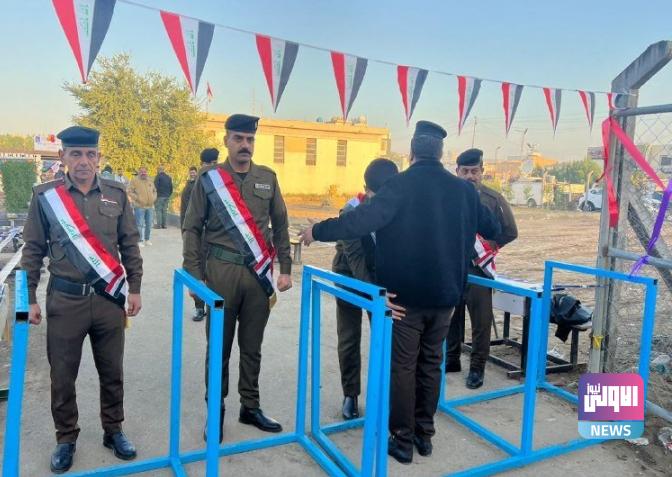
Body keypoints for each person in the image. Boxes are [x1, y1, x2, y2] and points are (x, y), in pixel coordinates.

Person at [300, 120, 500, 464]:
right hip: (445, 297)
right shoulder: (465, 191)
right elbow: (494, 228)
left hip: (403, 300)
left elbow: (358, 221)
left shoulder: (398, 186)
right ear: (441, 152)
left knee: (403, 368)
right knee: (431, 364)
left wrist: (317, 230)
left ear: (412, 152)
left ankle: (403, 441)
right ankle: (425, 434)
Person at [21, 126, 143, 474]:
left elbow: (129, 244)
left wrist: (135, 287)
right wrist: (29, 297)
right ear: (63, 157)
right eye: (76, 154)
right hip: (65, 300)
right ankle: (65, 438)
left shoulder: (117, 194)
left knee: (112, 371)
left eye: (90, 154)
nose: (84, 161)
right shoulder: (46, 197)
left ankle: (113, 430)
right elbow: (32, 249)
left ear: (98, 157)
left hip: (108, 301)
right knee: (62, 376)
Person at [182, 114, 293, 441]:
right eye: (238, 138)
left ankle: (250, 406)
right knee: (219, 347)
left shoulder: (267, 178)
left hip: (258, 276)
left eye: (250, 139)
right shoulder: (209, 179)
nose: (245, 145)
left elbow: (281, 224)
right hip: (221, 272)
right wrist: (194, 276)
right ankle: (215, 411)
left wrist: (286, 268)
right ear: (226, 141)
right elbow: (192, 228)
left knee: (252, 346)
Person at [445, 148, 518, 389]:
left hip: (478, 270)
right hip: (451, 268)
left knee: (480, 322)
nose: (470, 176)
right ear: (457, 172)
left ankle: (477, 368)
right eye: (465, 171)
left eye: (474, 171)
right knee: (451, 317)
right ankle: (451, 359)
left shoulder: (493, 199)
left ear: (482, 172)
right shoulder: (447, 196)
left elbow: (510, 231)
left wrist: (491, 246)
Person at [332, 158, 398, 421]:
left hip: (379, 278)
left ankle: (385, 394)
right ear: (366, 190)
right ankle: (350, 394)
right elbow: (356, 259)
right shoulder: (351, 212)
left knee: (384, 336)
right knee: (349, 337)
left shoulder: (396, 206)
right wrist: (377, 294)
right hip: (350, 276)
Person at [128, 166, 157, 247]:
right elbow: (129, 191)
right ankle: (139, 240)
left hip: (150, 206)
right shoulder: (134, 180)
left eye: (145, 172)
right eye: (141, 172)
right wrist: (137, 198)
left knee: (149, 224)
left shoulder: (150, 180)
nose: (143, 173)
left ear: (147, 172)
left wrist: (153, 198)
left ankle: (147, 240)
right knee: (139, 224)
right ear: (139, 172)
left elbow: (154, 191)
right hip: (139, 206)